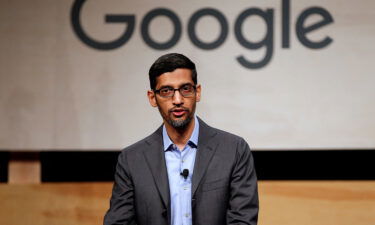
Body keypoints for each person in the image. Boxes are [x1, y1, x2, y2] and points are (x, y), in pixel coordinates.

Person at [104, 53, 259, 225]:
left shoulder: (233, 150)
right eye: (166, 91)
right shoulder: (132, 160)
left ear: (197, 92)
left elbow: (243, 220)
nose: (177, 100)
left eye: (185, 89)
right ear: (152, 98)